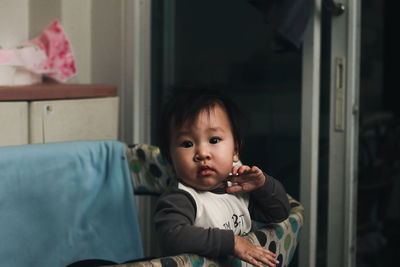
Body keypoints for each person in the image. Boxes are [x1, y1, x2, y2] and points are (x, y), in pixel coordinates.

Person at [154, 86, 290, 267]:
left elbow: (280, 213)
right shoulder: (181, 198)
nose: (202, 153)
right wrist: (232, 243)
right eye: (187, 143)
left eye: (214, 140)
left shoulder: (237, 189)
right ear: (170, 159)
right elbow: (171, 236)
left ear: (235, 151)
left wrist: (262, 185)